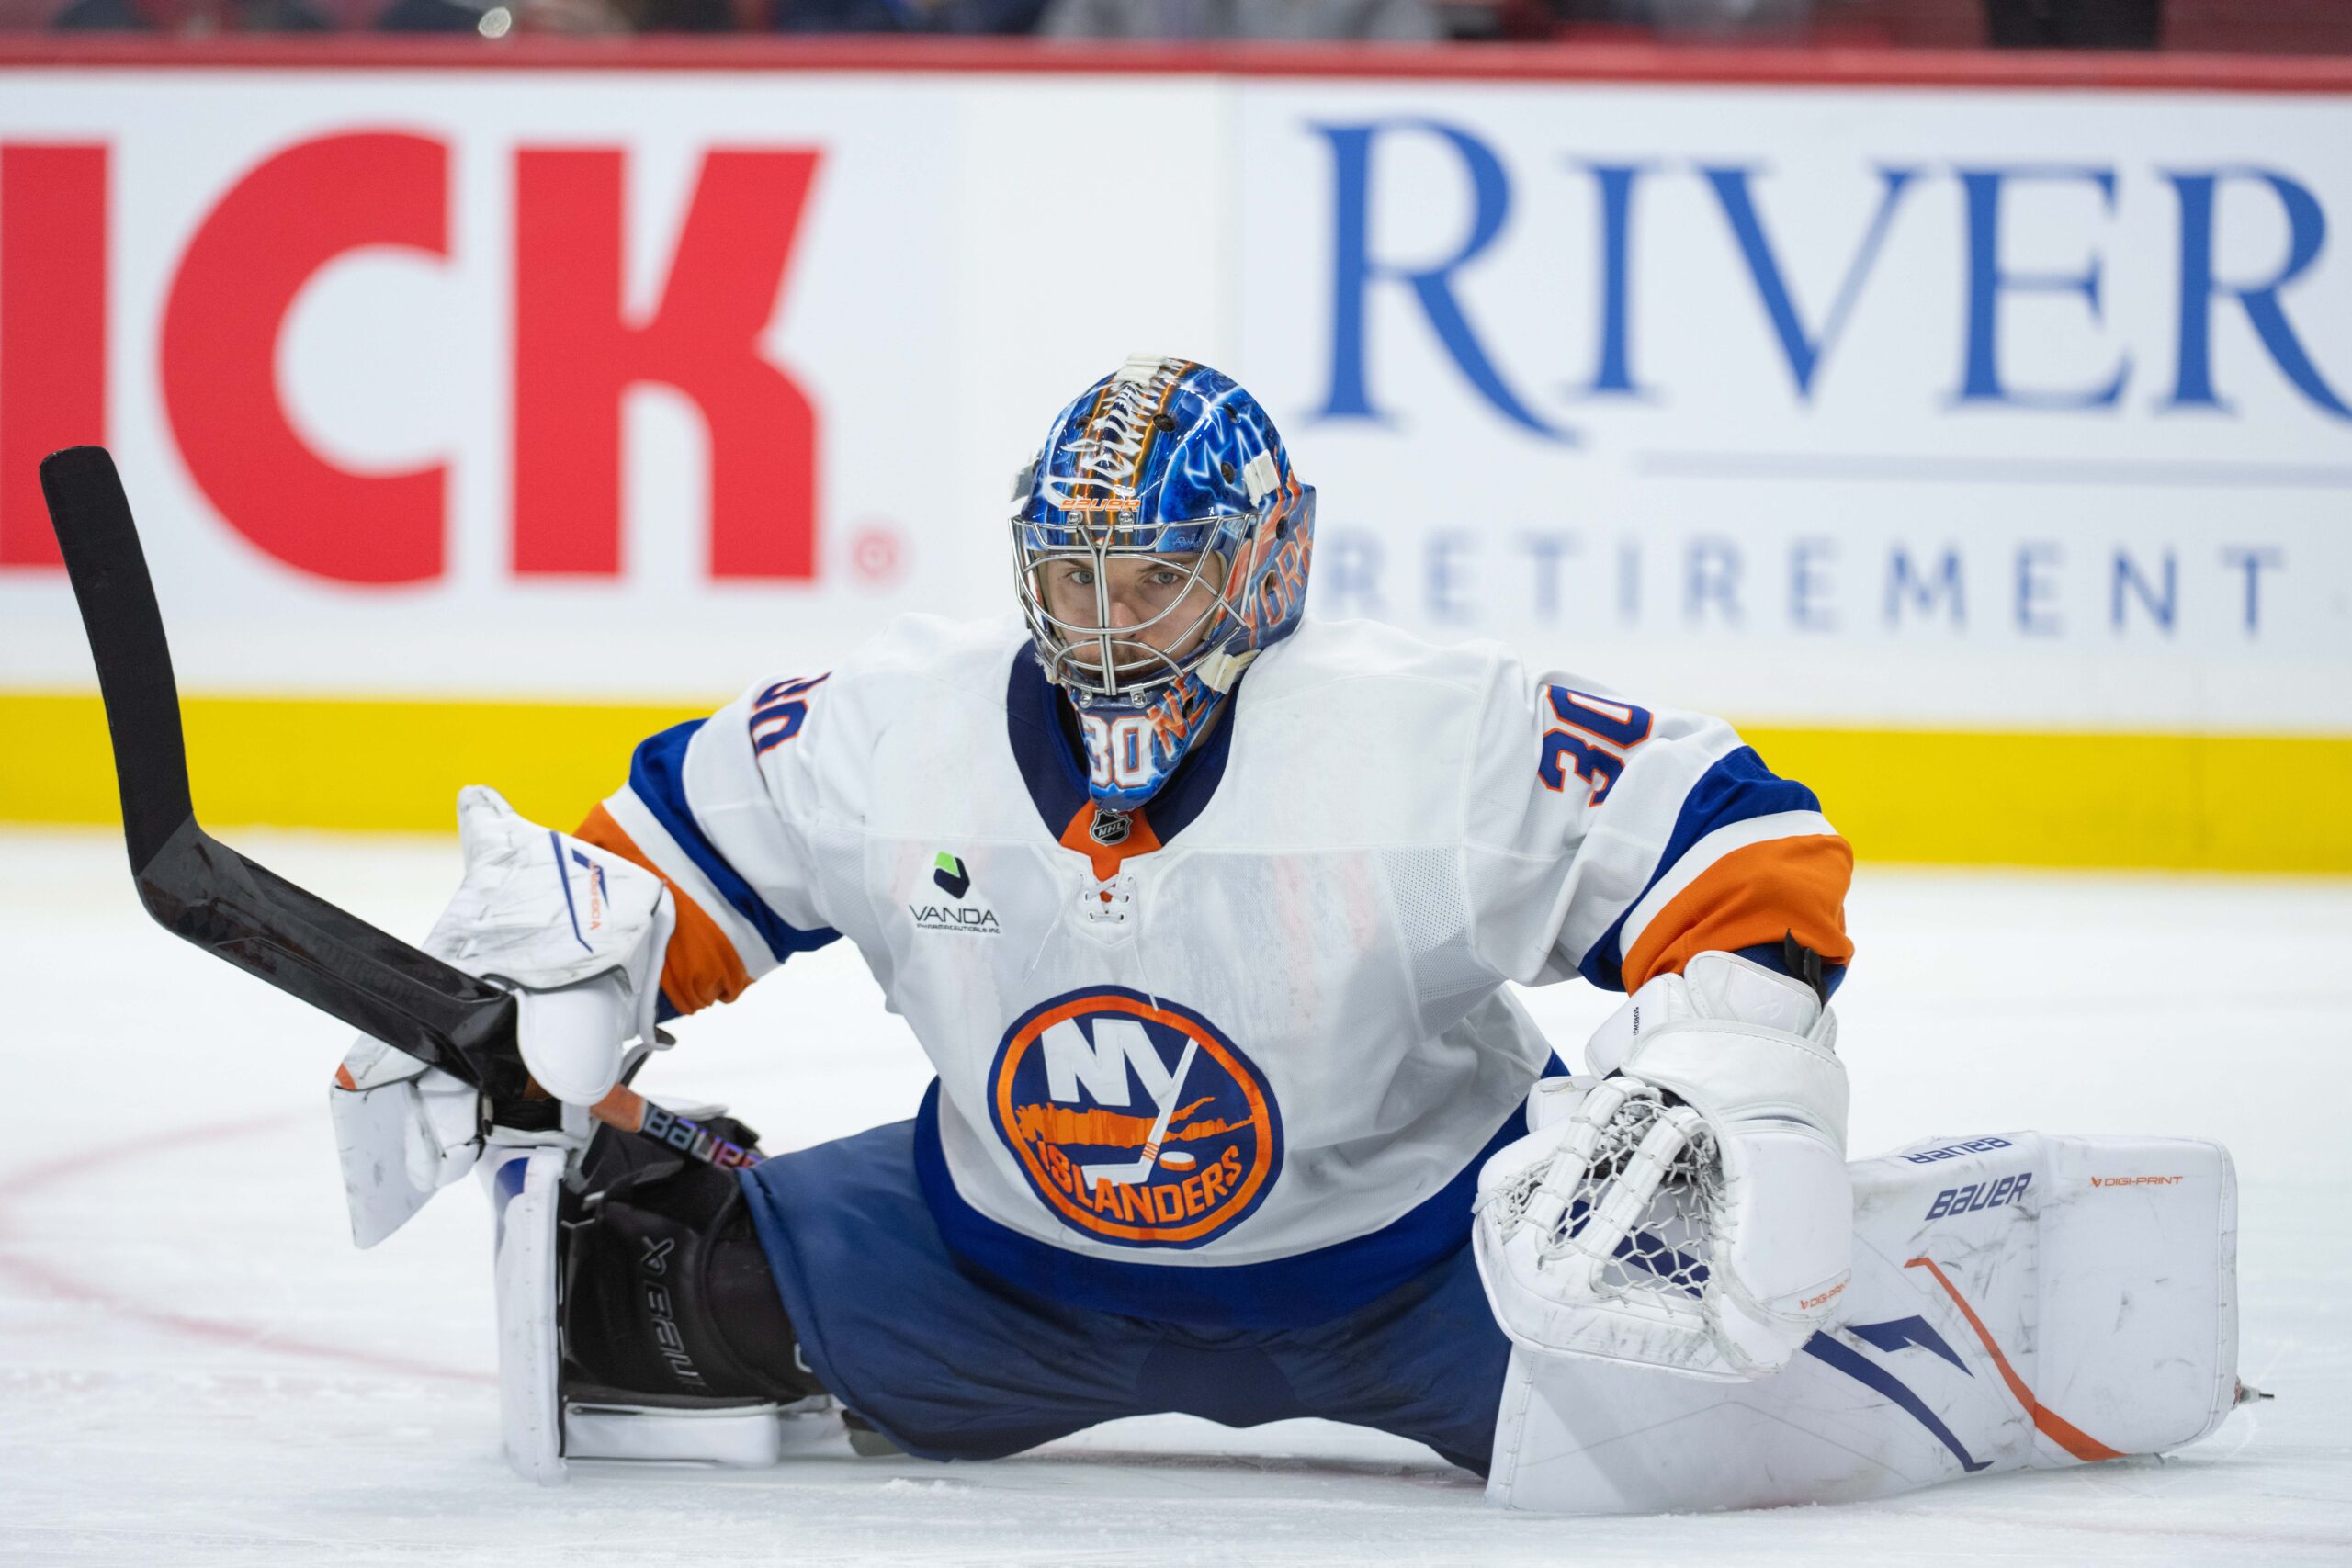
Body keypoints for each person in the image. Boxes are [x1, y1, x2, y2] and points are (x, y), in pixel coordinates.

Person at [333, 355, 2239, 1509]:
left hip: (1440, 1278)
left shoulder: (1421, 729)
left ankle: (1935, 1271)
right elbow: (658, 866)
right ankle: (736, 1213)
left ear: (1263, 560)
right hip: (988, 1267)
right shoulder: (884, 724)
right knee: (639, 1304)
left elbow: (1743, 838)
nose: (1102, 621)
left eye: (1152, 572)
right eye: (1068, 571)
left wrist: (1722, 1068)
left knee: (1725, 1385)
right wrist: (527, 997)